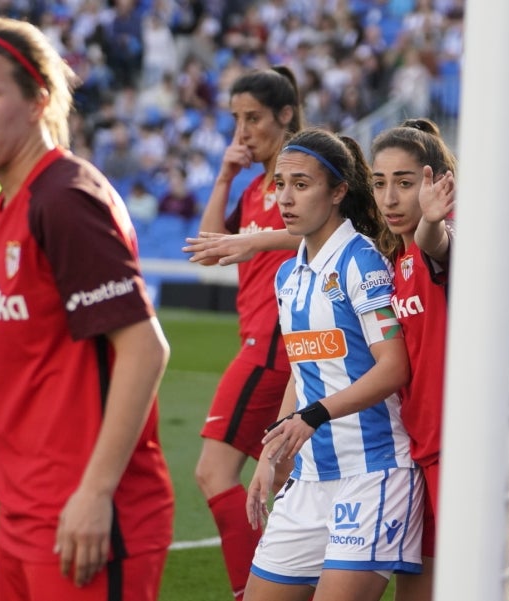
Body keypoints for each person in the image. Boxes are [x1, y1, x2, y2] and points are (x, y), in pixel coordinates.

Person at [0, 16, 174, 601]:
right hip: (25, 513)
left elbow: (145, 349)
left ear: (38, 101)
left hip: (86, 519)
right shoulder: (10, 203)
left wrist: (95, 492)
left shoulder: (65, 198)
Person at [244, 128, 424, 601]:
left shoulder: (362, 263)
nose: (285, 198)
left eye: (301, 185)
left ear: (339, 191)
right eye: (280, 184)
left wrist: (315, 415)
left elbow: (394, 367)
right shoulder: (288, 274)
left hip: (372, 474)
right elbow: (303, 372)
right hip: (309, 478)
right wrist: (270, 454)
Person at [185, 66, 304, 601]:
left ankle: (252, 591)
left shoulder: (300, 176)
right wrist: (224, 178)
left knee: (214, 472)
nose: (243, 131)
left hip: (274, 347)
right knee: (290, 485)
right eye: (236, 119)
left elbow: (325, 232)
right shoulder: (255, 186)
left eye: (253, 118)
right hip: (262, 343)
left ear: (285, 115)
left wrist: (254, 242)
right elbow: (209, 249)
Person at [369, 118, 456, 601]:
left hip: (464, 452)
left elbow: (436, 243)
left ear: (435, 185)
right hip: (414, 452)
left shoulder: (442, 248)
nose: (389, 198)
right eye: (379, 183)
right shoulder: (393, 265)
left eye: (404, 184)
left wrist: (433, 222)